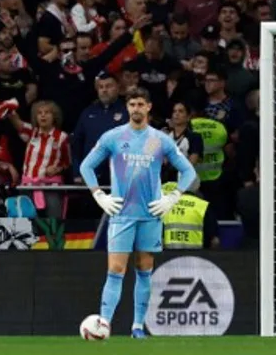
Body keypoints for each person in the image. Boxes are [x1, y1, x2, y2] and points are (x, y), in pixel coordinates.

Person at [80, 86, 198, 339]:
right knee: (115, 269)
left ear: (149, 107)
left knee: (144, 268)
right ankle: (104, 326)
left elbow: (189, 171)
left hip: (150, 214)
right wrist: (98, 194)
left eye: (140, 104)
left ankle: (137, 327)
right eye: (131, 104)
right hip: (121, 214)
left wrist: (173, 197)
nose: (135, 109)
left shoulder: (160, 140)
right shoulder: (113, 137)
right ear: (127, 107)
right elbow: (86, 166)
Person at [161, 180, 219, 250]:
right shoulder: (203, 206)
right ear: (197, 187)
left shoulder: (166, 204)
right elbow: (214, 241)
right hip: (198, 256)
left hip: (167, 255)